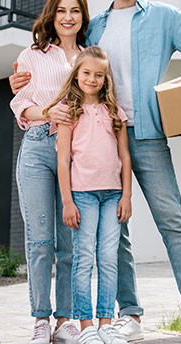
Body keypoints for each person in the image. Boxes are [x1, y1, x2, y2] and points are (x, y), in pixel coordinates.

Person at [11, 0, 181, 344]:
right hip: (97, 137)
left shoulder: (165, 17)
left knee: (173, 221)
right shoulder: (94, 28)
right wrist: (22, 85)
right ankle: (128, 314)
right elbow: (66, 73)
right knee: (114, 232)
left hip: (147, 135)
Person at [10, 0, 90, 344]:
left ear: (83, 17)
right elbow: (19, 104)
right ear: (51, 16)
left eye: (75, 11)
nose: (68, 17)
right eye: (61, 11)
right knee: (40, 241)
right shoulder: (32, 55)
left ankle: (66, 320)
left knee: (70, 243)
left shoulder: (91, 58)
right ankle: (41, 320)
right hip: (38, 147)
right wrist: (47, 111)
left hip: (77, 152)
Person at [45, 46, 132, 344]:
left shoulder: (114, 112)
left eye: (99, 75)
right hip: (82, 195)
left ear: (106, 78)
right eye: (86, 73)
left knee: (108, 258)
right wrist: (67, 201)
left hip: (112, 195)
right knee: (84, 259)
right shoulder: (69, 111)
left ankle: (106, 322)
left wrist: (127, 196)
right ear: (76, 75)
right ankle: (85, 327)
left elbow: (125, 156)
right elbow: (63, 160)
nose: (92, 79)